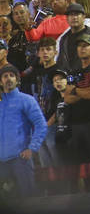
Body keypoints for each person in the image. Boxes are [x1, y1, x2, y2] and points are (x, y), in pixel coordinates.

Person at [0, 63, 47, 196]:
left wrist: (32, 148)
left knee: (28, 200)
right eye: (5, 76)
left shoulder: (27, 100)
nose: (8, 79)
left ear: (17, 80)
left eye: (11, 76)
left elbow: (41, 124)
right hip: (1, 162)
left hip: (20, 159)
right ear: (1, 81)